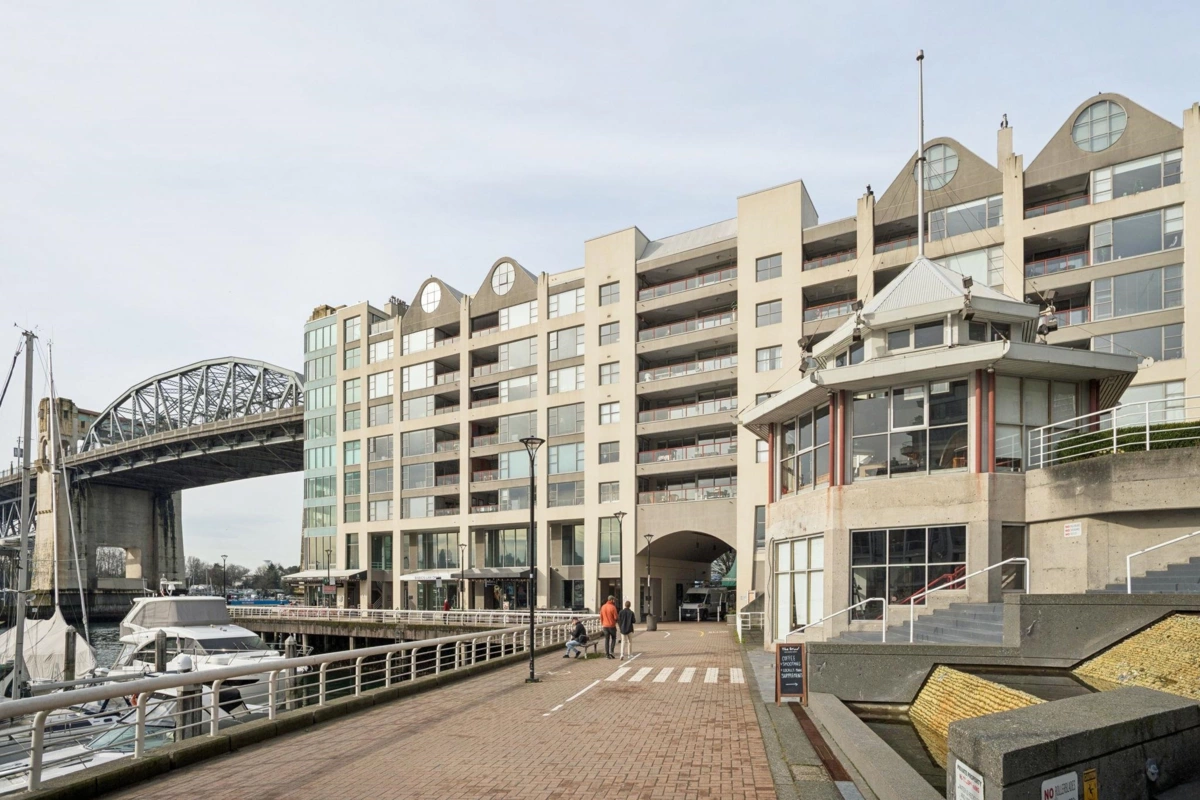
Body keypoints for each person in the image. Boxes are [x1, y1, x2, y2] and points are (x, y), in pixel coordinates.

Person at [599, 595, 619, 659]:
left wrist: (602, 623)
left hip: (605, 626)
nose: (614, 601)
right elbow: (616, 617)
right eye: (614, 600)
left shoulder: (603, 607)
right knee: (613, 638)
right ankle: (611, 651)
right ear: (611, 600)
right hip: (612, 625)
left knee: (606, 640)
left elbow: (601, 616)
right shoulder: (613, 607)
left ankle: (607, 654)